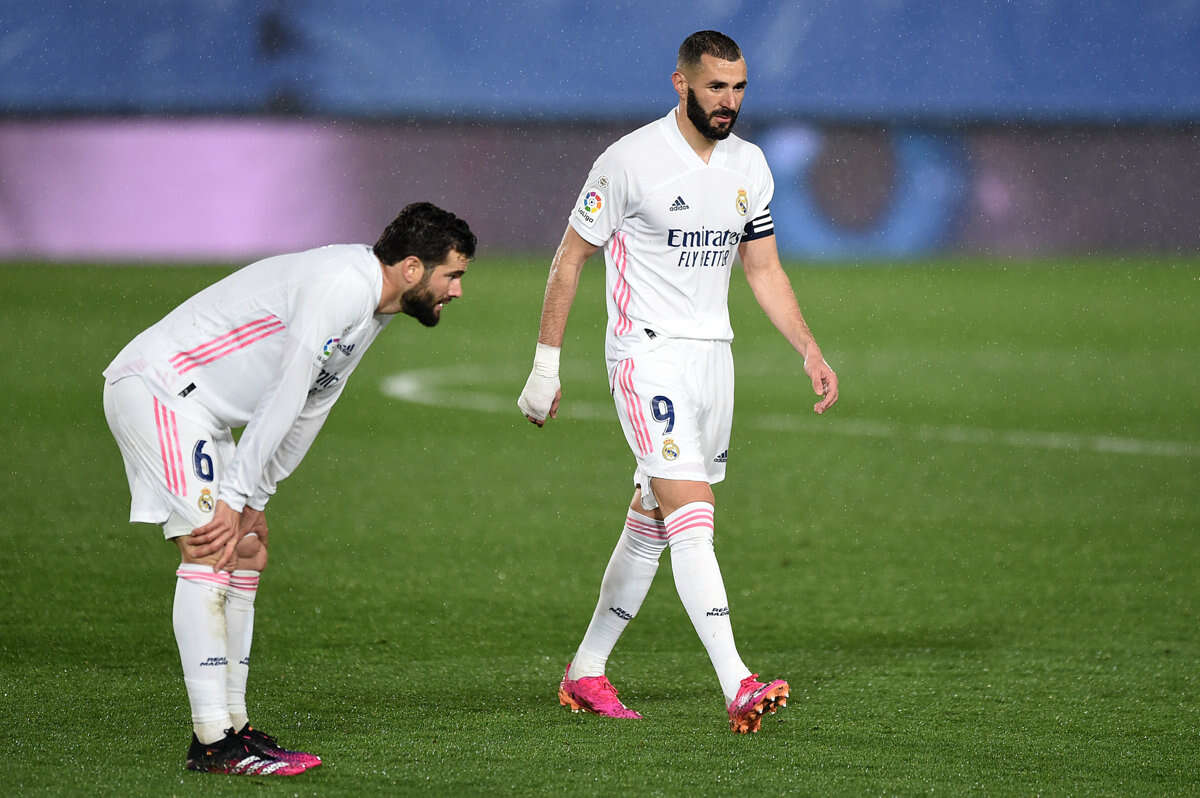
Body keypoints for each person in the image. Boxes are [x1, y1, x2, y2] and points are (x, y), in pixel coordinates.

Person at [517, 31, 838, 734]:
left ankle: (586, 671)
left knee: (654, 522)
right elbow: (569, 259)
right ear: (681, 84)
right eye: (716, 86)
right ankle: (738, 682)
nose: (730, 101)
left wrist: (809, 349)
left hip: (712, 360)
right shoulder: (628, 162)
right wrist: (545, 366)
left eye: (740, 87)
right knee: (693, 513)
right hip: (646, 355)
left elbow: (762, 268)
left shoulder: (751, 165)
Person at [103, 202, 476, 775]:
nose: (456, 290)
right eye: (452, 275)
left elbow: (311, 406)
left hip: (201, 410)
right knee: (209, 549)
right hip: (159, 390)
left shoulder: (371, 310)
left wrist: (255, 499)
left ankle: (235, 726)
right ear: (411, 268)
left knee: (246, 549)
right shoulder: (340, 285)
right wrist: (232, 499)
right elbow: (286, 391)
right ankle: (212, 742)